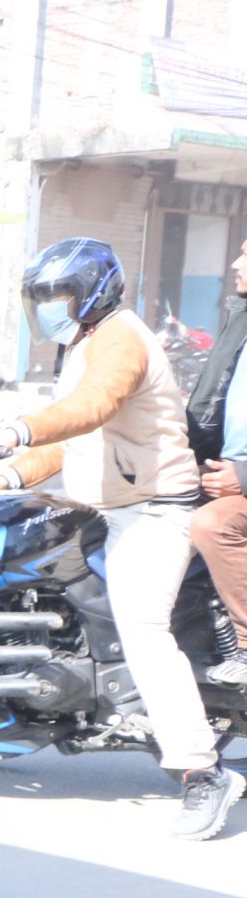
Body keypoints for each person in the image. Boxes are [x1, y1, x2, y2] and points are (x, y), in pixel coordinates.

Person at [0, 237, 238, 839]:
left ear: (92, 292)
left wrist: (16, 429)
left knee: (143, 627)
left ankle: (202, 772)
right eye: (41, 298)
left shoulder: (119, 337)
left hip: (153, 510)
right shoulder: (83, 343)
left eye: (59, 295)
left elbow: (94, 406)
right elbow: (72, 441)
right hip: (104, 503)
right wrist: (1, 475)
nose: (50, 307)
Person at [187, 235, 247, 692]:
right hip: (222, 473)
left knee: (213, 525)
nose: (234, 262)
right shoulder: (240, 325)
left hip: (238, 486)